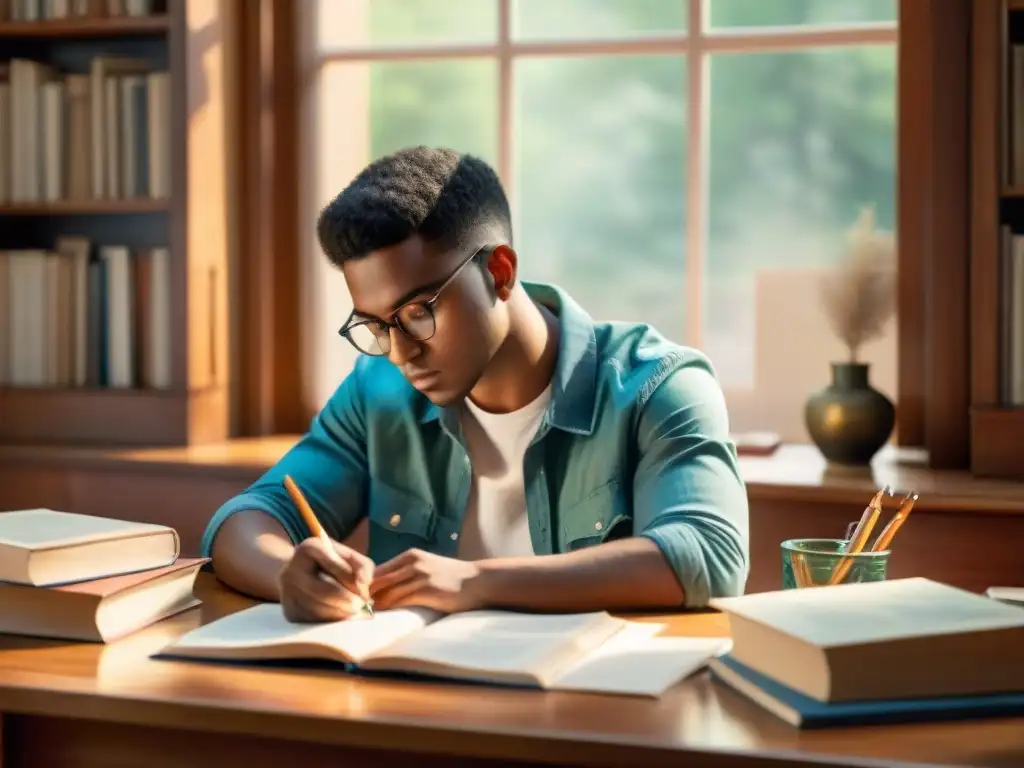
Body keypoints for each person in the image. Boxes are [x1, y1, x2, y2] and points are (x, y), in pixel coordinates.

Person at [200, 146, 749, 622]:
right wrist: (286, 576)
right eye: (376, 325)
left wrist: (475, 582)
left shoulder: (657, 385)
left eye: (417, 312)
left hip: (593, 715)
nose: (400, 351)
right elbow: (246, 518)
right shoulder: (378, 392)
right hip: (423, 710)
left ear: (500, 272)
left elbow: (708, 553)